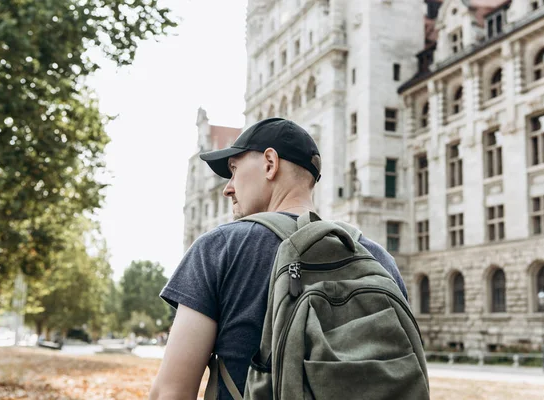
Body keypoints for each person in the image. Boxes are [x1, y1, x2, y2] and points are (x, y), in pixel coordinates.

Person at [149, 118, 409, 400]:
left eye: (234, 170)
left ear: (270, 164)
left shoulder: (220, 248)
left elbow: (171, 392)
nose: (228, 188)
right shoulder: (379, 258)